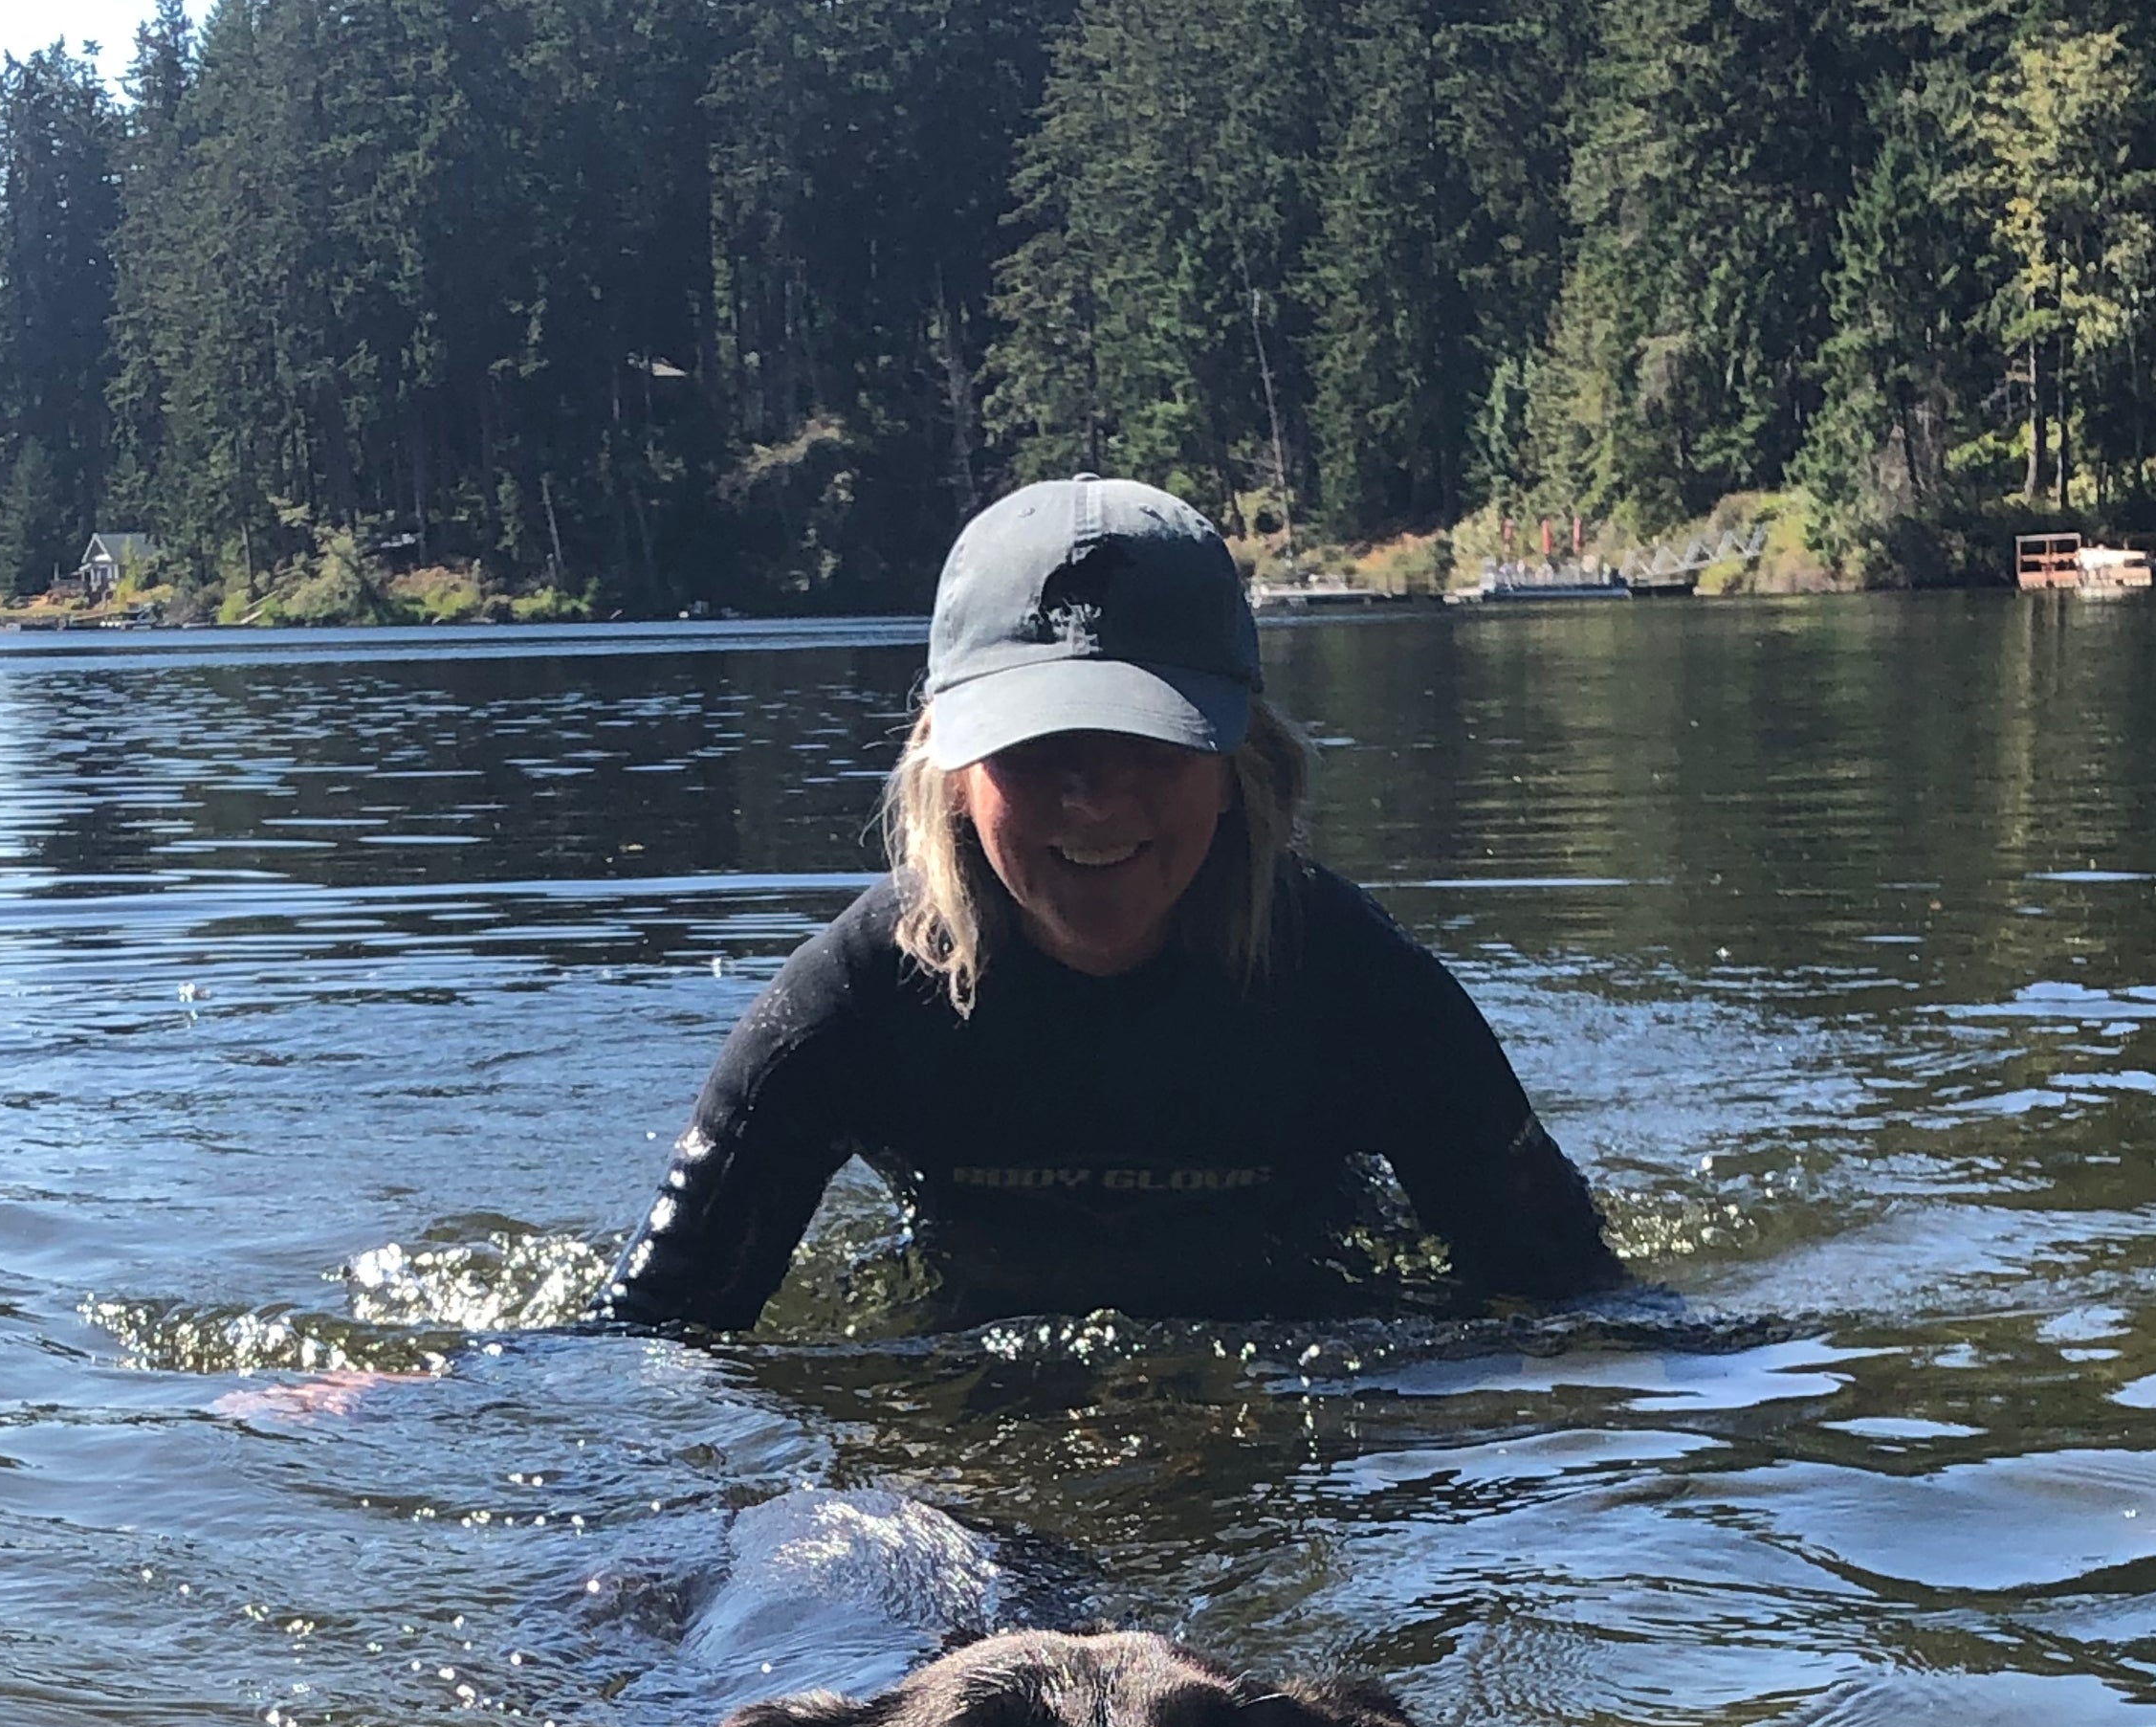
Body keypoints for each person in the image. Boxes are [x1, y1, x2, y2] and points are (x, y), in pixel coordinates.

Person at [603, 475, 1623, 1332]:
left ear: (1240, 758)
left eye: (1147, 735)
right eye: (1035, 744)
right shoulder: (852, 1000)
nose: (1090, 794)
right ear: (950, 769)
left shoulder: (1355, 984)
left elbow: (1581, 1303)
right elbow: (649, 1335)